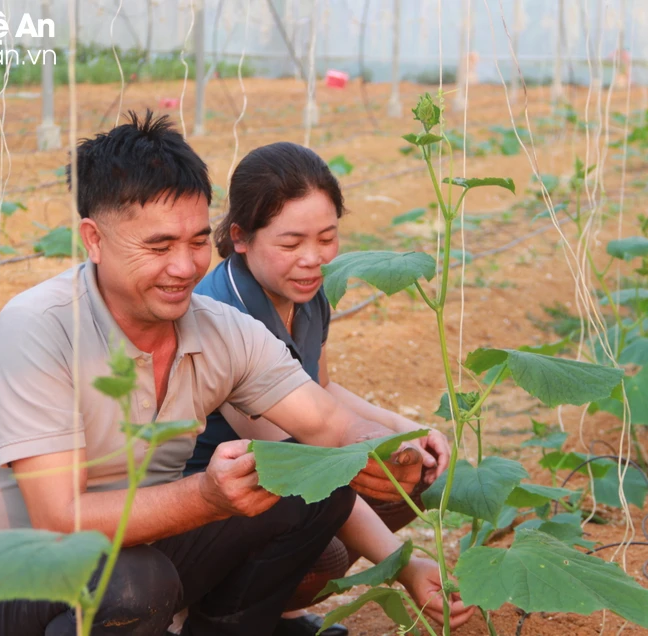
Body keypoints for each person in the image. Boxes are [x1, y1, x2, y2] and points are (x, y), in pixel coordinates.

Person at [0, 111, 430, 636]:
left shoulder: (217, 328)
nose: (184, 267)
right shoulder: (40, 329)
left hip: (146, 559)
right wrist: (205, 497)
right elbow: (62, 520)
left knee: (318, 488)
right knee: (134, 581)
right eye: (158, 247)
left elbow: (328, 423)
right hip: (17, 587)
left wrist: (388, 450)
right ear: (94, 239)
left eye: (198, 241)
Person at [186, 141, 473, 635]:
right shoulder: (224, 316)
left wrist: (410, 428)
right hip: (213, 511)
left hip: (280, 488)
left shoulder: (309, 294)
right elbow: (303, 463)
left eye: (326, 238)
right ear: (241, 237)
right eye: (291, 243)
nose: (313, 259)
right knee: (326, 529)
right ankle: (221, 618)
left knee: (416, 468)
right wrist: (405, 566)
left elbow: (321, 388)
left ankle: (279, 612)